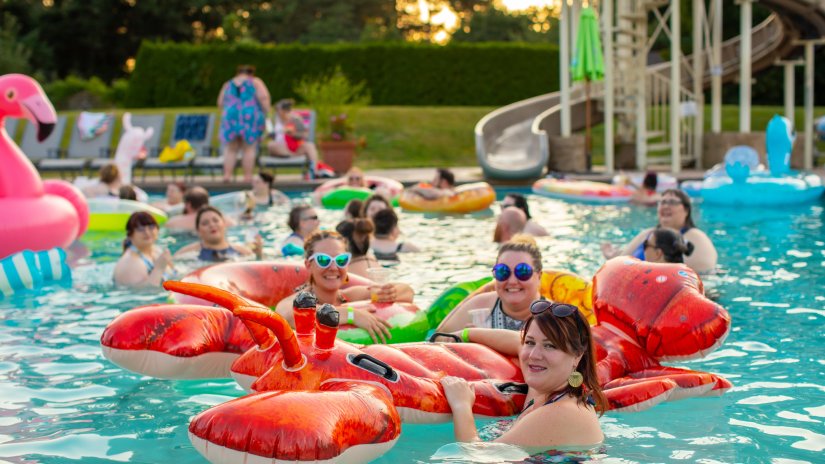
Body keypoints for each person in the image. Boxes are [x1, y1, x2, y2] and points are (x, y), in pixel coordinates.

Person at [440, 300, 605, 450]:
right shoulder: (547, 390)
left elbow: (475, 455)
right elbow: (515, 342)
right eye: (530, 342)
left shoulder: (562, 412)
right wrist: (465, 334)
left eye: (550, 346)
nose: (533, 355)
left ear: (577, 355)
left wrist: (461, 406)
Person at [274, 230, 415, 343]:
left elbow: (407, 292)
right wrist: (352, 314)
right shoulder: (295, 301)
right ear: (308, 265)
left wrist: (390, 293)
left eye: (341, 260)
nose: (334, 267)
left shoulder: (350, 295)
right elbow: (289, 316)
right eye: (323, 260)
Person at [437, 235, 543, 333]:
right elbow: (437, 339)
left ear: (539, 276)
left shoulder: (554, 317)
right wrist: (462, 341)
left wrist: (481, 336)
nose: (512, 281)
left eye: (522, 271)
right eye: (502, 271)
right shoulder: (478, 306)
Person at [601, 189, 717, 273]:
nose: (666, 206)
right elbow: (622, 260)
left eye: (672, 202)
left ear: (686, 210)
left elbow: (704, 271)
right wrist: (611, 255)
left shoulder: (695, 236)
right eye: (662, 202)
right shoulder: (647, 234)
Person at [217, 64, 271, 183]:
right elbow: (263, 97)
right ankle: (247, 177)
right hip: (249, 116)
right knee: (249, 148)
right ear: (251, 73)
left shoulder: (228, 83)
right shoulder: (255, 82)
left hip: (230, 116)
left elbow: (220, 102)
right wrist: (267, 112)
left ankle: (227, 176)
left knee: (231, 148)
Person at [175, 206, 262, 262]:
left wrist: (259, 255)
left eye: (215, 220)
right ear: (198, 231)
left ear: (224, 224)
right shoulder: (186, 253)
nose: (212, 225)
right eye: (205, 223)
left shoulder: (243, 252)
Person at [113, 212, 173, 287]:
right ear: (130, 234)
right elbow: (144, 293)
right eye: (140, 229)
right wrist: (159, 269)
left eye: (151, 227)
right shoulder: (132, 262)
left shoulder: (156, 250)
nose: (147, 232)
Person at [266, 98, 319, 176]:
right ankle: (290, 156)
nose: (278, 113)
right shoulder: (273, 121)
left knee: (310, 146)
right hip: (280, 149)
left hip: (295, 149)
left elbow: (304, 135)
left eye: (280, 110)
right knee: (271, 145)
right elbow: (268, 136)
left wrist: (292, 134)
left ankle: (315, 171)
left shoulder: (295, 120)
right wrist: (272, 133)